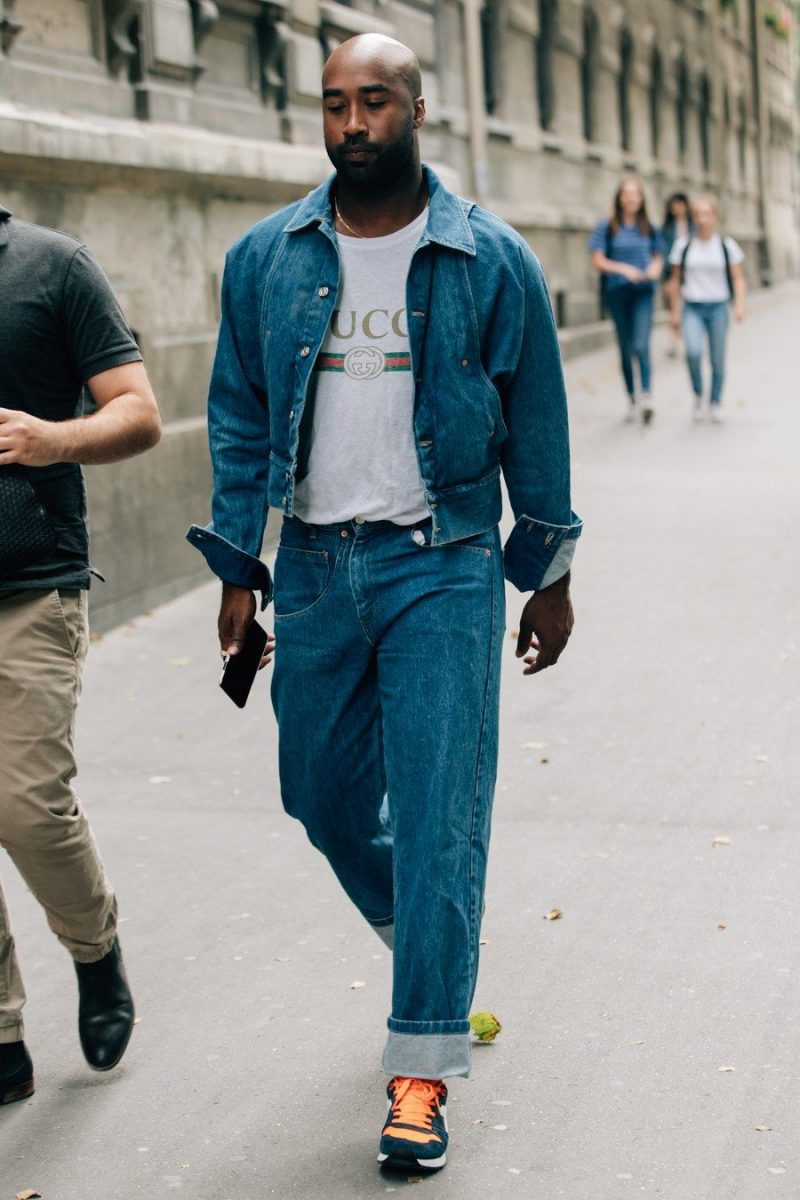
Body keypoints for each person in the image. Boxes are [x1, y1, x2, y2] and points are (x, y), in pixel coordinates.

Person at [188, 33, 581, 1175]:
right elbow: (239, 417)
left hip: (441, 562)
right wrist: (236, 570)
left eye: (373, 102)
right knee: (314, 790)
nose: (351, 124)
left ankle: (419, 1073)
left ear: (418, 108)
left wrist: (545, 571)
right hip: (312, 566)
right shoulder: (267, 256)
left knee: (440, 815)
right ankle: (432, 948)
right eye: (333, 105)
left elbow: (536, 422)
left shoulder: (486, 258)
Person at [0, 205, 161, 1104]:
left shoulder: (53, 267)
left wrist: (51, 438)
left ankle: (94, 949)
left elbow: (138, 414)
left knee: (24, 805)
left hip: (30, 583)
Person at [589, 178, 664, 424]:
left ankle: (647, 396)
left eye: (636, 194)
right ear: (619, 198)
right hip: (618, 292)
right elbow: (598, 260)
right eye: (627, 194)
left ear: (641, 198)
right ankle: (631, 396)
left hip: (643, 291)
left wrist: (654, 269)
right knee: (625, 347)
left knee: (641, 345)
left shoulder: (650, 227)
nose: (631, 198)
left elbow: (658, 257)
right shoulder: (607, 226)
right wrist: (624, 270)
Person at [669, 195, 745, 423]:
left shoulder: (726, 245)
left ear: (715, 217)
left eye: (706, 214)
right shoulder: (684, 245)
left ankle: (715, 401)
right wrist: (674, 312)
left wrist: (739, 305)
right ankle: (698, 395)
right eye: (698, 214)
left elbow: (738, 278)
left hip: (718, 307)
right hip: (692, 306)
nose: (701, 219)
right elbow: (674, 282)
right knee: (692, 352)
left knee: (717, 358)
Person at [660, 192, 692, 358]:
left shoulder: (692, 226)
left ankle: (688, 338)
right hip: (673, 273)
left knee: (688, 307)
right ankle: (672, 341)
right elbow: (664, 253)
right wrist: (667, 277)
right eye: (674, 205)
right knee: (673, 309)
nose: (677, 208)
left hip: (692, 273)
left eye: (680, 204)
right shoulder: (667, 228)